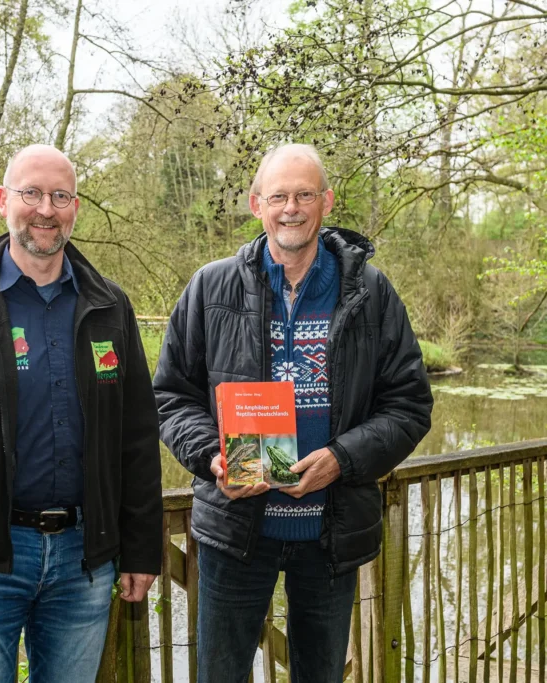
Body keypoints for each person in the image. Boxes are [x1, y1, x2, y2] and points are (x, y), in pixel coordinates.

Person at [153, 144, 433, 682]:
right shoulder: (211, 287)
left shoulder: (369, 292)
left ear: (326, 202)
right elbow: (171, 395)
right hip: (236, 530)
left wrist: (343, 459)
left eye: (305, 195)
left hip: (329, 534)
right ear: (256, 203)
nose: (291, 208)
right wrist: (212, 455)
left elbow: (409, 403)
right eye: (278, 196)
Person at [0, 144, 164, 682]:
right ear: (3, 200)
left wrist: (140, 549)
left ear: (76, 207)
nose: (46, 209)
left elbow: (136, 438)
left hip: (83, 560)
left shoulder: (110, 307)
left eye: (60, 196)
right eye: (31, 193)